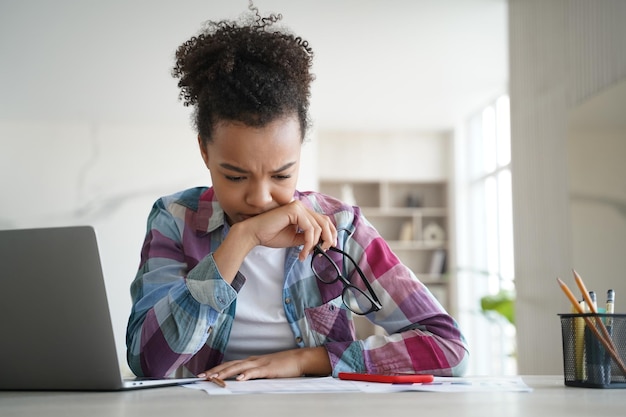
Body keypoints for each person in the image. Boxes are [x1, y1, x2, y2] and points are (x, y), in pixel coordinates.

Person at [126, 2, 468, 382]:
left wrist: (305, 361)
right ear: (205, 151)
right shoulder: (176, 219)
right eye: (236, 177)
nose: (260, 198)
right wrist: (241, 239)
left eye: (281, 174)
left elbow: (449, 349)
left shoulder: (342, 227)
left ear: (299, 151)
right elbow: (148, 362)